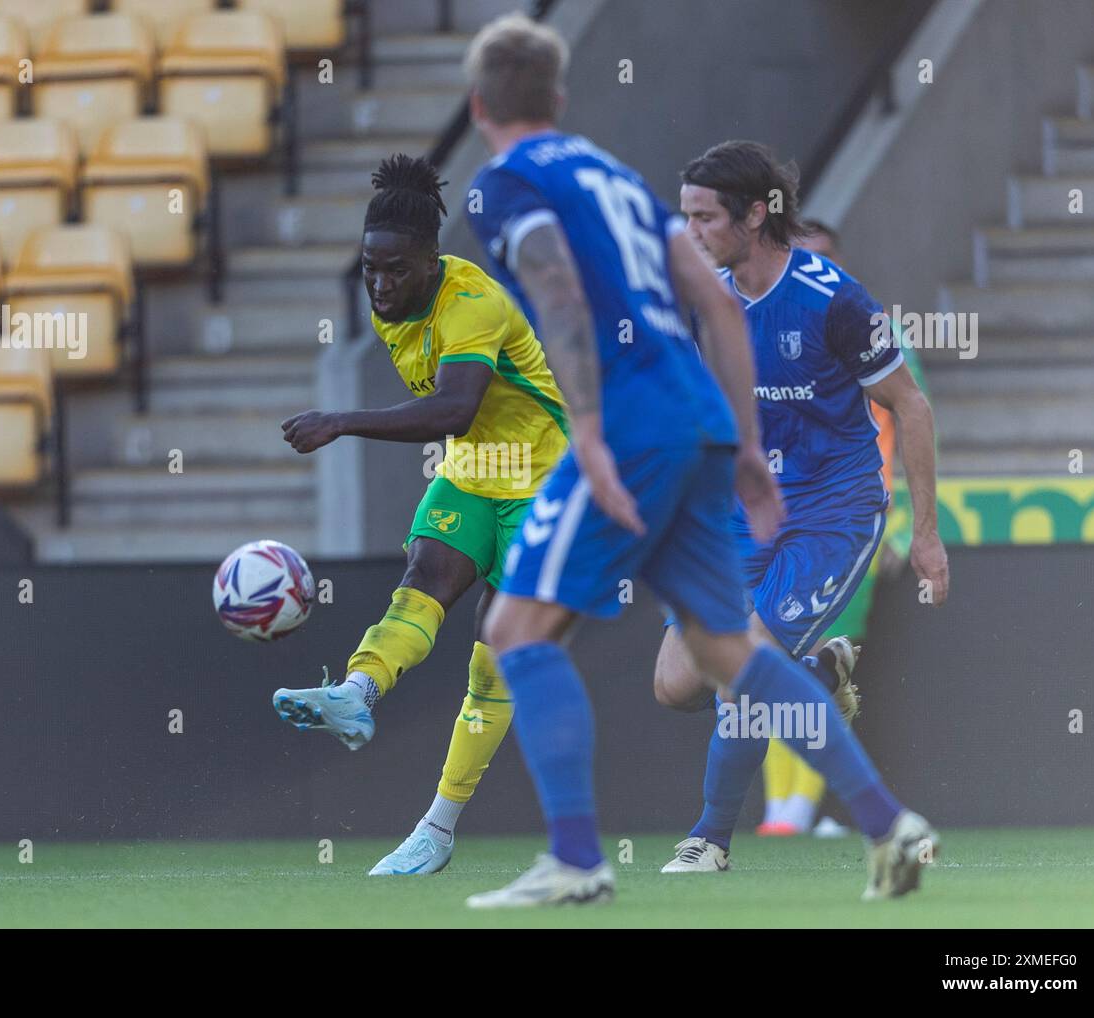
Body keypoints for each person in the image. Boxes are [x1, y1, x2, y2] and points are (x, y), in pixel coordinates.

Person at [459, 15, 939, 908]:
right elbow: (717, 315)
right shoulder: (613, 178)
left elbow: (559, 300)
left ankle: (595, 854)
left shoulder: (503, 187)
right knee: (701, 670)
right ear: (560, 100)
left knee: (515, 632)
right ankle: (889, 822)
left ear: (478, 105)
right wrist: (744, 453)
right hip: (697, 441)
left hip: (645, 427)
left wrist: (591, 435)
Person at [274, 154, 569, 876]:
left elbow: (455, 409)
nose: (380, 283)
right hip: (474, 472)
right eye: (371, 268)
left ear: (432, 261)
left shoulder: (474, 304)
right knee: (421, 580)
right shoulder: (391, 306)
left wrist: (341, 420)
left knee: (493, 650)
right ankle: (355, 694)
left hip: (541, 479)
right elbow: (461, 427)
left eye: (396, 269)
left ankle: (437, 829)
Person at [755, 218, 936, 838]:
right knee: (779, 658)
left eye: (824, 256)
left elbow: (912, 416)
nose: (812, 268)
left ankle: (796, 812)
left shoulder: (871, 331)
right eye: (800, 254)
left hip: (848, 518)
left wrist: (906, 526)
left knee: (810, 660)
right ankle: (788, 808)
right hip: (775, 521)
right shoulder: (758, 328)